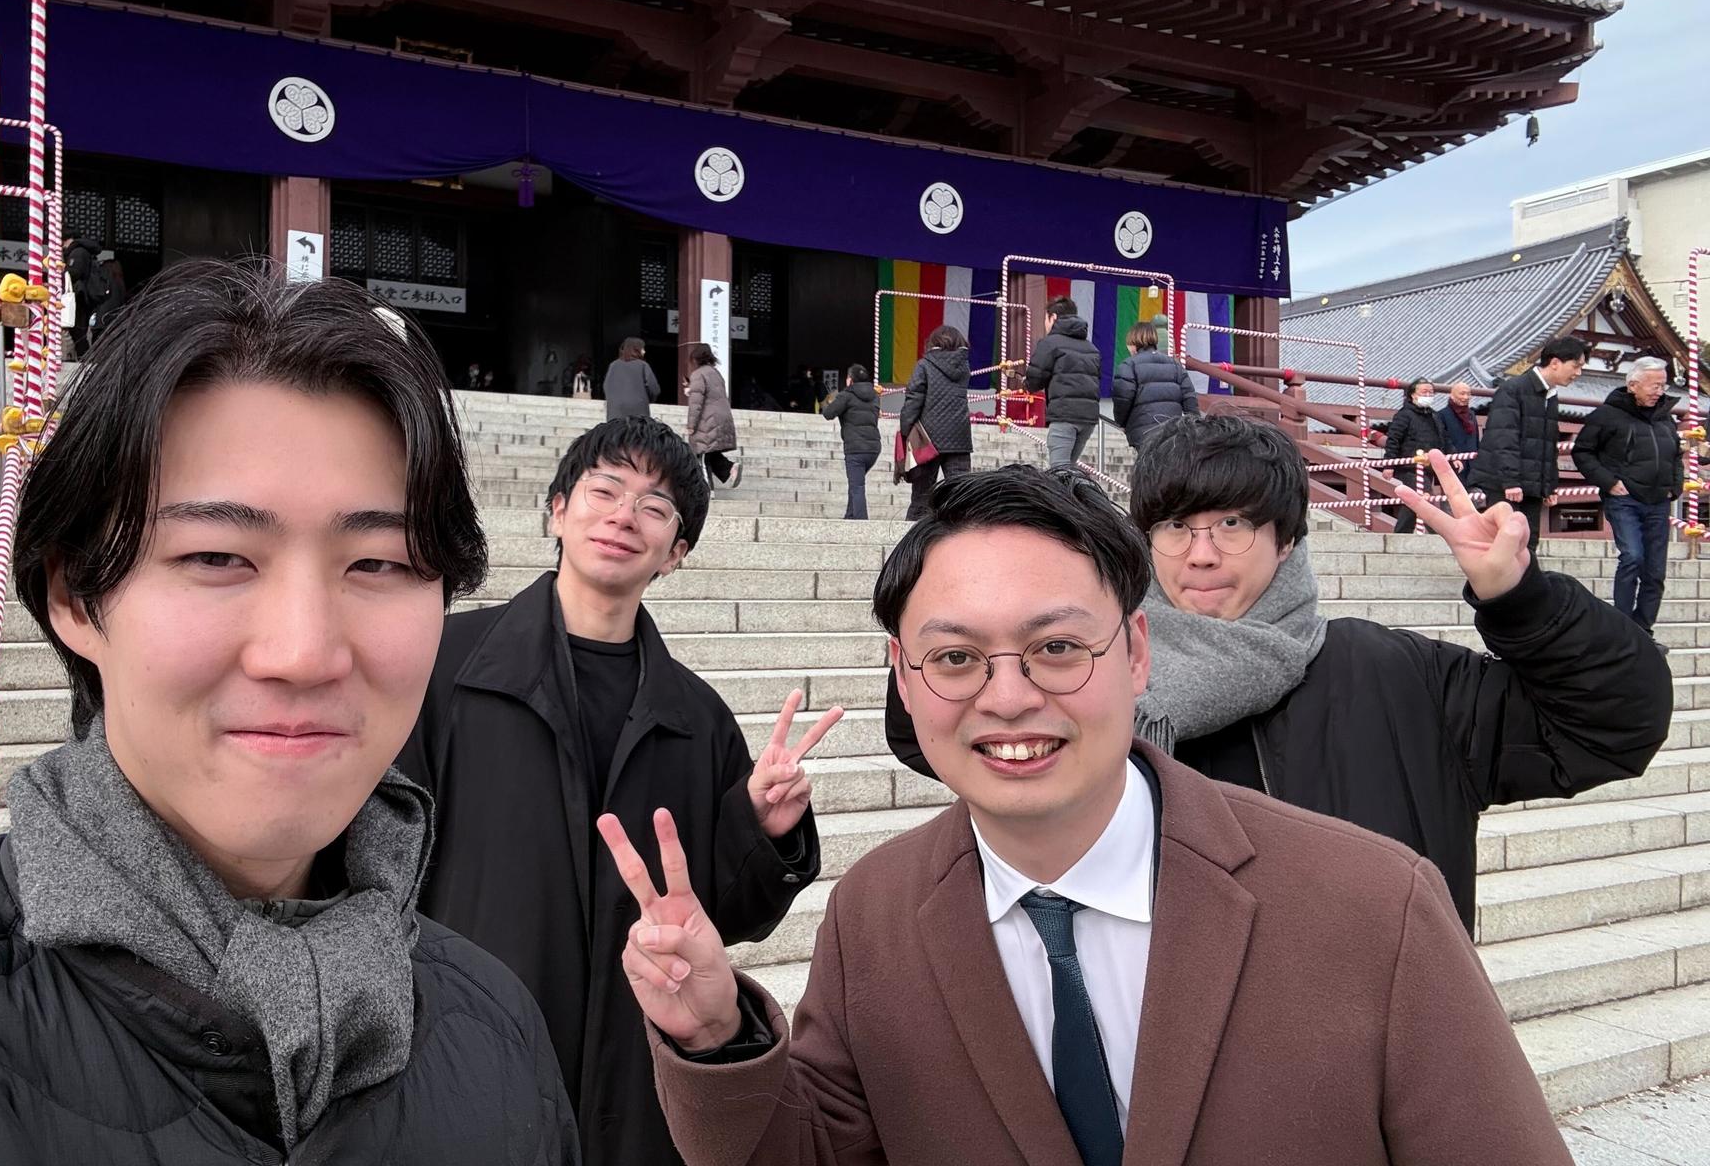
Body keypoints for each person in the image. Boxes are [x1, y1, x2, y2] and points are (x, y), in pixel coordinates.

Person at [0, 264, 578, 1162]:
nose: (304, 653)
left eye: (378, 563)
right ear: (75, 596)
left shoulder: (497, 1030)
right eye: (217, 557)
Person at [603, 465, 1577, 1166]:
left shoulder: (1373, 905)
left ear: (1137, 651)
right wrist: (719, 1037)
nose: (1009, 696)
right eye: (955, 657)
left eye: (1058, 648)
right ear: (903, 674)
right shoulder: (877, 913)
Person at [887, 413, 1666, 924]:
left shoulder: (1399, 678)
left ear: (1286, 539)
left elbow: (1611, 726)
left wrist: (1520, 598)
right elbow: (933, 732)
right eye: (1176, 526)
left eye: (1233, 523)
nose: (1200, 554)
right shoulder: (1097, 677)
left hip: (1373, 1057)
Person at [402, 415, 832, 1166]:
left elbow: (729, 916)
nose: (625, 516)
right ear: (557, 510)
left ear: (677, 552)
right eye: (605, 490)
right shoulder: (444, 669)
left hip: (630, 1087)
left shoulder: (697, 718)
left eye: (655, 507)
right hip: (462, 1056)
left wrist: (762, 828)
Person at [1575, 356, 1683, 644]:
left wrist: (1675, 486)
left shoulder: (1665, 417)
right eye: (1654, 385)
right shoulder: (1607, 415)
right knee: (1632, 557)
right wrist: (1609, 482)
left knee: (1655, 570)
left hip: (1659, 500)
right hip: (1624, 499)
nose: (1660, 391)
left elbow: (1676, 455)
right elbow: (1582, 451)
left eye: (1663, 385)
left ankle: (1643, 631)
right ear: (1633, 385)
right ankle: (1621, 628)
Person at [1475, 334, 1586, 548]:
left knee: (1528, 545)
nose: (1578, 373)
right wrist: (1511, 481)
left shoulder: (1550, 395)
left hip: (1532, 484)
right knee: (1506, 545)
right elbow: (1503, 437)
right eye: (1576, 366)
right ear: (1555, 362)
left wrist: (1549, 485)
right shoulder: (1513, 389)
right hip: (1505, 484)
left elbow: (1548, 444)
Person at [899, 325, 973, 520]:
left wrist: (905, 430)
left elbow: (913, 400)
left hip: (927, 437)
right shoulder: (963, 367)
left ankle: (913, 534)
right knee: (961, 495)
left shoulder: (924, 365)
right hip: (959, 437)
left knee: (921, 498)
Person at [1022, 296, 1102, 468]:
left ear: (1053, 317)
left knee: (1059, 468)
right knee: (1069, 467)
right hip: (1088, 418)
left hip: (1064, 414)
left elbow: (1035, 377)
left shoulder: (1050, 343)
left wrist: (1027, 384)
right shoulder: (1091, 348)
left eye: (1045, 318)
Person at [1110, 320, 1198, 451]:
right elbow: (1189, 398)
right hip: (1174, 432)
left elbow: (1123, 399)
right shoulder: (1175, 365)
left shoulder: (1129, 365)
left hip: (1144, 432)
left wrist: (1121, 422)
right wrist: (1195, 426)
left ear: (1133, 343)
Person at [1379, 378, 1446, 533]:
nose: (1428, 395)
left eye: (1431, 392)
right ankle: (1440, 533)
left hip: (1428, 466)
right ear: (1413, 395)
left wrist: (1452, 456)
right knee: (1424, 498)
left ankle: (1401, 534)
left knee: (1413, 501)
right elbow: (1393, 440)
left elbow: (1444, 438)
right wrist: (1389, 464)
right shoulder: (1404, 415)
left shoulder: (1434, 416)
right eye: (1424, 392)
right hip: (1409, 466)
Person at [822, 362, 882, 519]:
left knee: (857, 486)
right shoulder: (875, 396)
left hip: (856, 448)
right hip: (874, 448)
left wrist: (829, 401)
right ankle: (849, 517)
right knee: (856, 483)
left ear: (850, 379)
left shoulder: (846, 395)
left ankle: (861, 523)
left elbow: (828, 414)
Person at [685, 345, 741, 489]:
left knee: (701, 457)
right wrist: (691, 390)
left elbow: (696, 403)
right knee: (710, 454)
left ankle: (707, 490)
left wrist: (691, 425)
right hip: (722, 418)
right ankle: (730, 468)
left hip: (708, 421)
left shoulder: (698, 374)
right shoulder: (716, 374)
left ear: (696, 359)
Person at [603, 336, 659, 420]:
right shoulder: (643, 366)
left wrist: (613, 400)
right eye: (642, 349)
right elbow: (654, 389)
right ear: (636, 350)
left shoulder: (613, 365)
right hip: (638, 412)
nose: (644, 351)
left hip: (615, 412)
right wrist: (647, 400)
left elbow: (606, 386)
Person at [1437, 380, 1481, 484]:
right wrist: (1453, 457)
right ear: (1452, 395)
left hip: (1472, 463)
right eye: (1462, 394)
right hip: (1454, 462)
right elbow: (1443, 439)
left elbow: (1475, 440)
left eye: (1468, 394)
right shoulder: (1442, 415)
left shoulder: (1471, 414)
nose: (1466, 397)